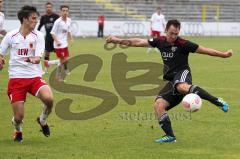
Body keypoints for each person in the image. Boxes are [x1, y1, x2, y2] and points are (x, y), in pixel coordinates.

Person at [106, 19, 232, 144]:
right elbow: (139, 42)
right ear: (166, 30)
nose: (173, 36)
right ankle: (170, 136)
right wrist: (117, 40)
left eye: (176, 33)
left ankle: (217, 101)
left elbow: (204, 50)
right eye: (171, 33)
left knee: (181, 86)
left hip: (182, 73)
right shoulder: (159, 41)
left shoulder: (183, 43)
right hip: (171, 80)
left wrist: (223, 55)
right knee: (158, 105)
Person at [0, 5, 54, 142]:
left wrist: (34, 59)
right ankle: (17, 130)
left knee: (49, 99)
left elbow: (37, 57)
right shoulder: (11, 36)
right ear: (25, 19)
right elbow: (1, 53)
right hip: (16, 80)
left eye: (37, 18)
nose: (36, 21)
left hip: (34, 77)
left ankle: (42, 120)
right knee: (19, 117)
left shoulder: (38, 36)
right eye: (33, 18)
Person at [50, 5, 73, 81]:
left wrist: (71, 38)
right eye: (63, 11)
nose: (65, 12)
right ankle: (58, 77)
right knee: (62, 60)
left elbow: (69, 30)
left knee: (66, 59)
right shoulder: (58, 22)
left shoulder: (69, 20)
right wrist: (57, 41)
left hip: (65, 44)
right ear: (60, 12)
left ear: (68, 12)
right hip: (58, 45)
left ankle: (64, 68)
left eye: (66, 11)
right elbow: (52, 33)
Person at [37, 2, 59, 74]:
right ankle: (46, 70)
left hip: (55, 38)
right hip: (48, 39)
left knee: (59, 55)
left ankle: (62, 70)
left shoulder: (56, 16)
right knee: (47, 54)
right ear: (45, 8)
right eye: (47, 7)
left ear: (52, 8)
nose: (48, 8)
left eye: (50, 7)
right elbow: (40, 27)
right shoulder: (43, 17)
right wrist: (36, 34)